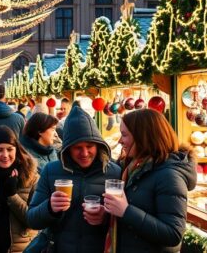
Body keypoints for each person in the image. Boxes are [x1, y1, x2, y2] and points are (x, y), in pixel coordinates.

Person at [26, 105, 121, 253]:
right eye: (77, 147)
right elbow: (32, 219)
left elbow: (125, 220)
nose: (84, 153)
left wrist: (106, 218)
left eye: (89, 146)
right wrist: (49, 207)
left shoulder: (115, 173)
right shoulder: (51, 170)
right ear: (68, 148)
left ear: (98, 145)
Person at [102, 110, 197, 252]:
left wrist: (126, 211)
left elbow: (173, 234)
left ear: (143, 137)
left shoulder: (169, 175)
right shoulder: (131, 167)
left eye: (124, 135)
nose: (120, 141)